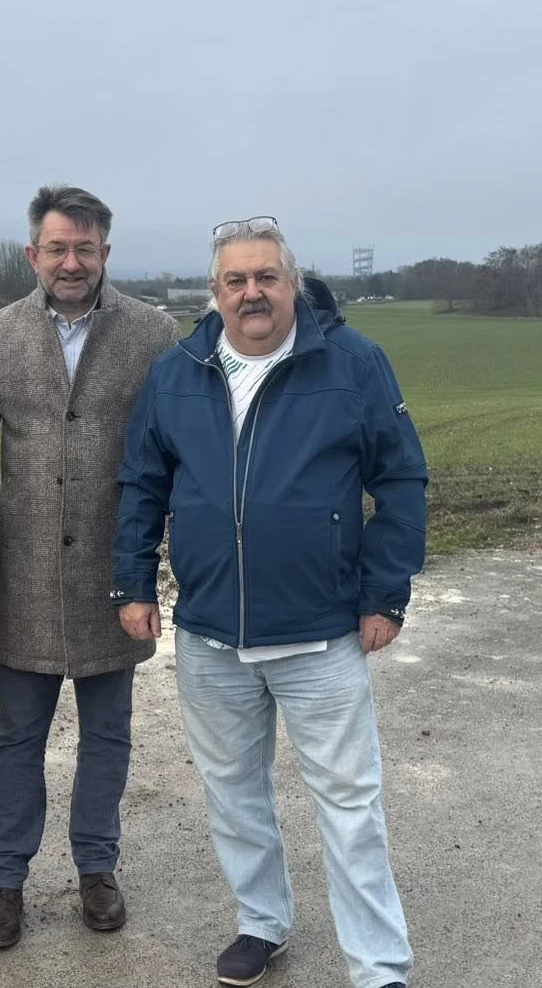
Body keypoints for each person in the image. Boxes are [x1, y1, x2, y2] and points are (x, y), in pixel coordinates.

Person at [112, 216, 427, 988]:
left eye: (266, 277)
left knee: (350, 806)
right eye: (235, 280)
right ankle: (261, 922)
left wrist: (385, 592)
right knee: (233, 793)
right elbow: (143, 483)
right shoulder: (179, 370)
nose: (251, 292)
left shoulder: (352, 363)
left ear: (292, 282)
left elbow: (401, 481)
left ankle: (379, 966)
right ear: (215, 292)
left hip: (321, 633)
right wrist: (133, 580)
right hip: (212, 633)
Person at [0, 184, 180, 948]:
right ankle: (4, 881)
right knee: (17, 736)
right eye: (56, 247)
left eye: (84, 248)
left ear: (105, 254)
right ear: (33, 253)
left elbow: (172, 453)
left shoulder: (154, 333)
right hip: (25, 576)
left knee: (109, 735)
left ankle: (97, 868)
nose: (70, 261)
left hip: (113, 577)